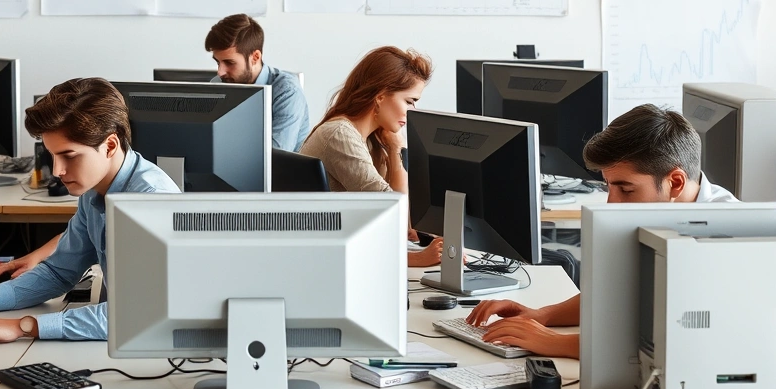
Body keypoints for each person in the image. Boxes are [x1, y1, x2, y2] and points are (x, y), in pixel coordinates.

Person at [0, 78, 179, 342]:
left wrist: (21, 327)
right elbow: (59, 272)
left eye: (69, 156)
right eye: (52, 155)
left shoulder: (152, 201)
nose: (57, 171)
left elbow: (138, 316)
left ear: (109, 145)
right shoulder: (95, 191)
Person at [465, 104, 737, 359]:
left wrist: (556, 342)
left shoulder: (723, 239)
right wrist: (542, 314)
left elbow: (682, 343)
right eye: (609, 187)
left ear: (675, 182)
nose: (612, 203)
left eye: (626, 189)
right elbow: (619, 291)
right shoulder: (660, 209)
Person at [299, 46, 441, 267]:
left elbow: (406, 220)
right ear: (381, 96)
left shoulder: (372, 138)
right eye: (409, 101)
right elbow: (396, 217)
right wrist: (418, 259)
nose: (412, 110)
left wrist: (394, 151)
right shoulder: (340, 135)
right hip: (325, 264)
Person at [206, 13, 310, 151]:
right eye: (218, 62)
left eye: (229, 63)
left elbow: (276, 154)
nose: (220, 72)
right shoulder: (218, 84)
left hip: (280, 171)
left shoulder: (287, 91)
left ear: (255, 57)